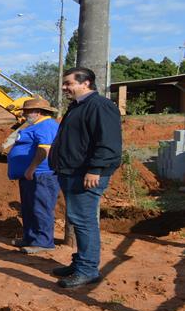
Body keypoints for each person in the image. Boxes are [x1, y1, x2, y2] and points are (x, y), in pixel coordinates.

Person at [49, 67, 122, 288]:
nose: (64, 88)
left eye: (68, 83)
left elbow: (108, 143)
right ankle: (81, 262)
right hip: (72, 172)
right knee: (79, 220)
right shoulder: (78, 107)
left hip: (85, 175)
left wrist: (96, 169)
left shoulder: (100, 106)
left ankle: (88, 269)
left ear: (86, 83)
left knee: (84, 222)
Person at [7, 98, 60, 254]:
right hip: (30, 174)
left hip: (41, 175)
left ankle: (43, 242)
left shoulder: (47, 125)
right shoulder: (36, 125)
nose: (24, 115)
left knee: (41, 208)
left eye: (27, 112)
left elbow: (44, 150)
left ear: (38, 112)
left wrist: (31, 168)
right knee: (29, 208)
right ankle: (30, 238)